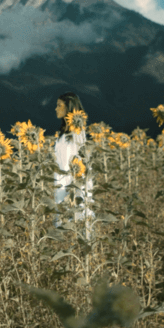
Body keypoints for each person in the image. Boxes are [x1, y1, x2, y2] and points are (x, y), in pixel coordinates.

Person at [52, 92, 95, 239]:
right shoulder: (64, 134)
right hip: (61, 187)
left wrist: (74, 192)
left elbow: (80, 165)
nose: (55, 109)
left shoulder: (76, 134)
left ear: (69, 108)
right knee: (65, 232)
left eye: (59, 106)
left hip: (71, 190)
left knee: (76, 229)